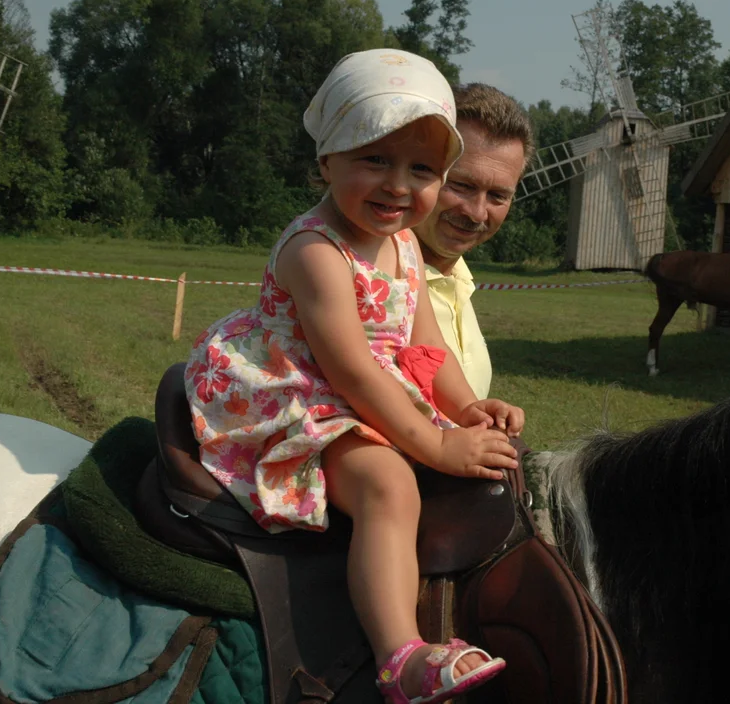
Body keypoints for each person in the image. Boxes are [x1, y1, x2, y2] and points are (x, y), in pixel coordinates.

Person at [184, 49, 525, 704]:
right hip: (304, 391)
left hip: (361, 387)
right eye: (374, 159)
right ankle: (401, 656)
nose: (399, 185)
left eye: (422, 169)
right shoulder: (315, 250)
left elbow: (424, 348)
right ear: (326, 161)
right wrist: (432, 444)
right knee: (389, 484)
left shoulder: (402, 243)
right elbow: (352, 372)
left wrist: (464, 409)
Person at [415, 83, 535, 400]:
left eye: (497, 195)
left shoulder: (459, 278)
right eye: (461, 185)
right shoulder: (366, 283)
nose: (477, 212)